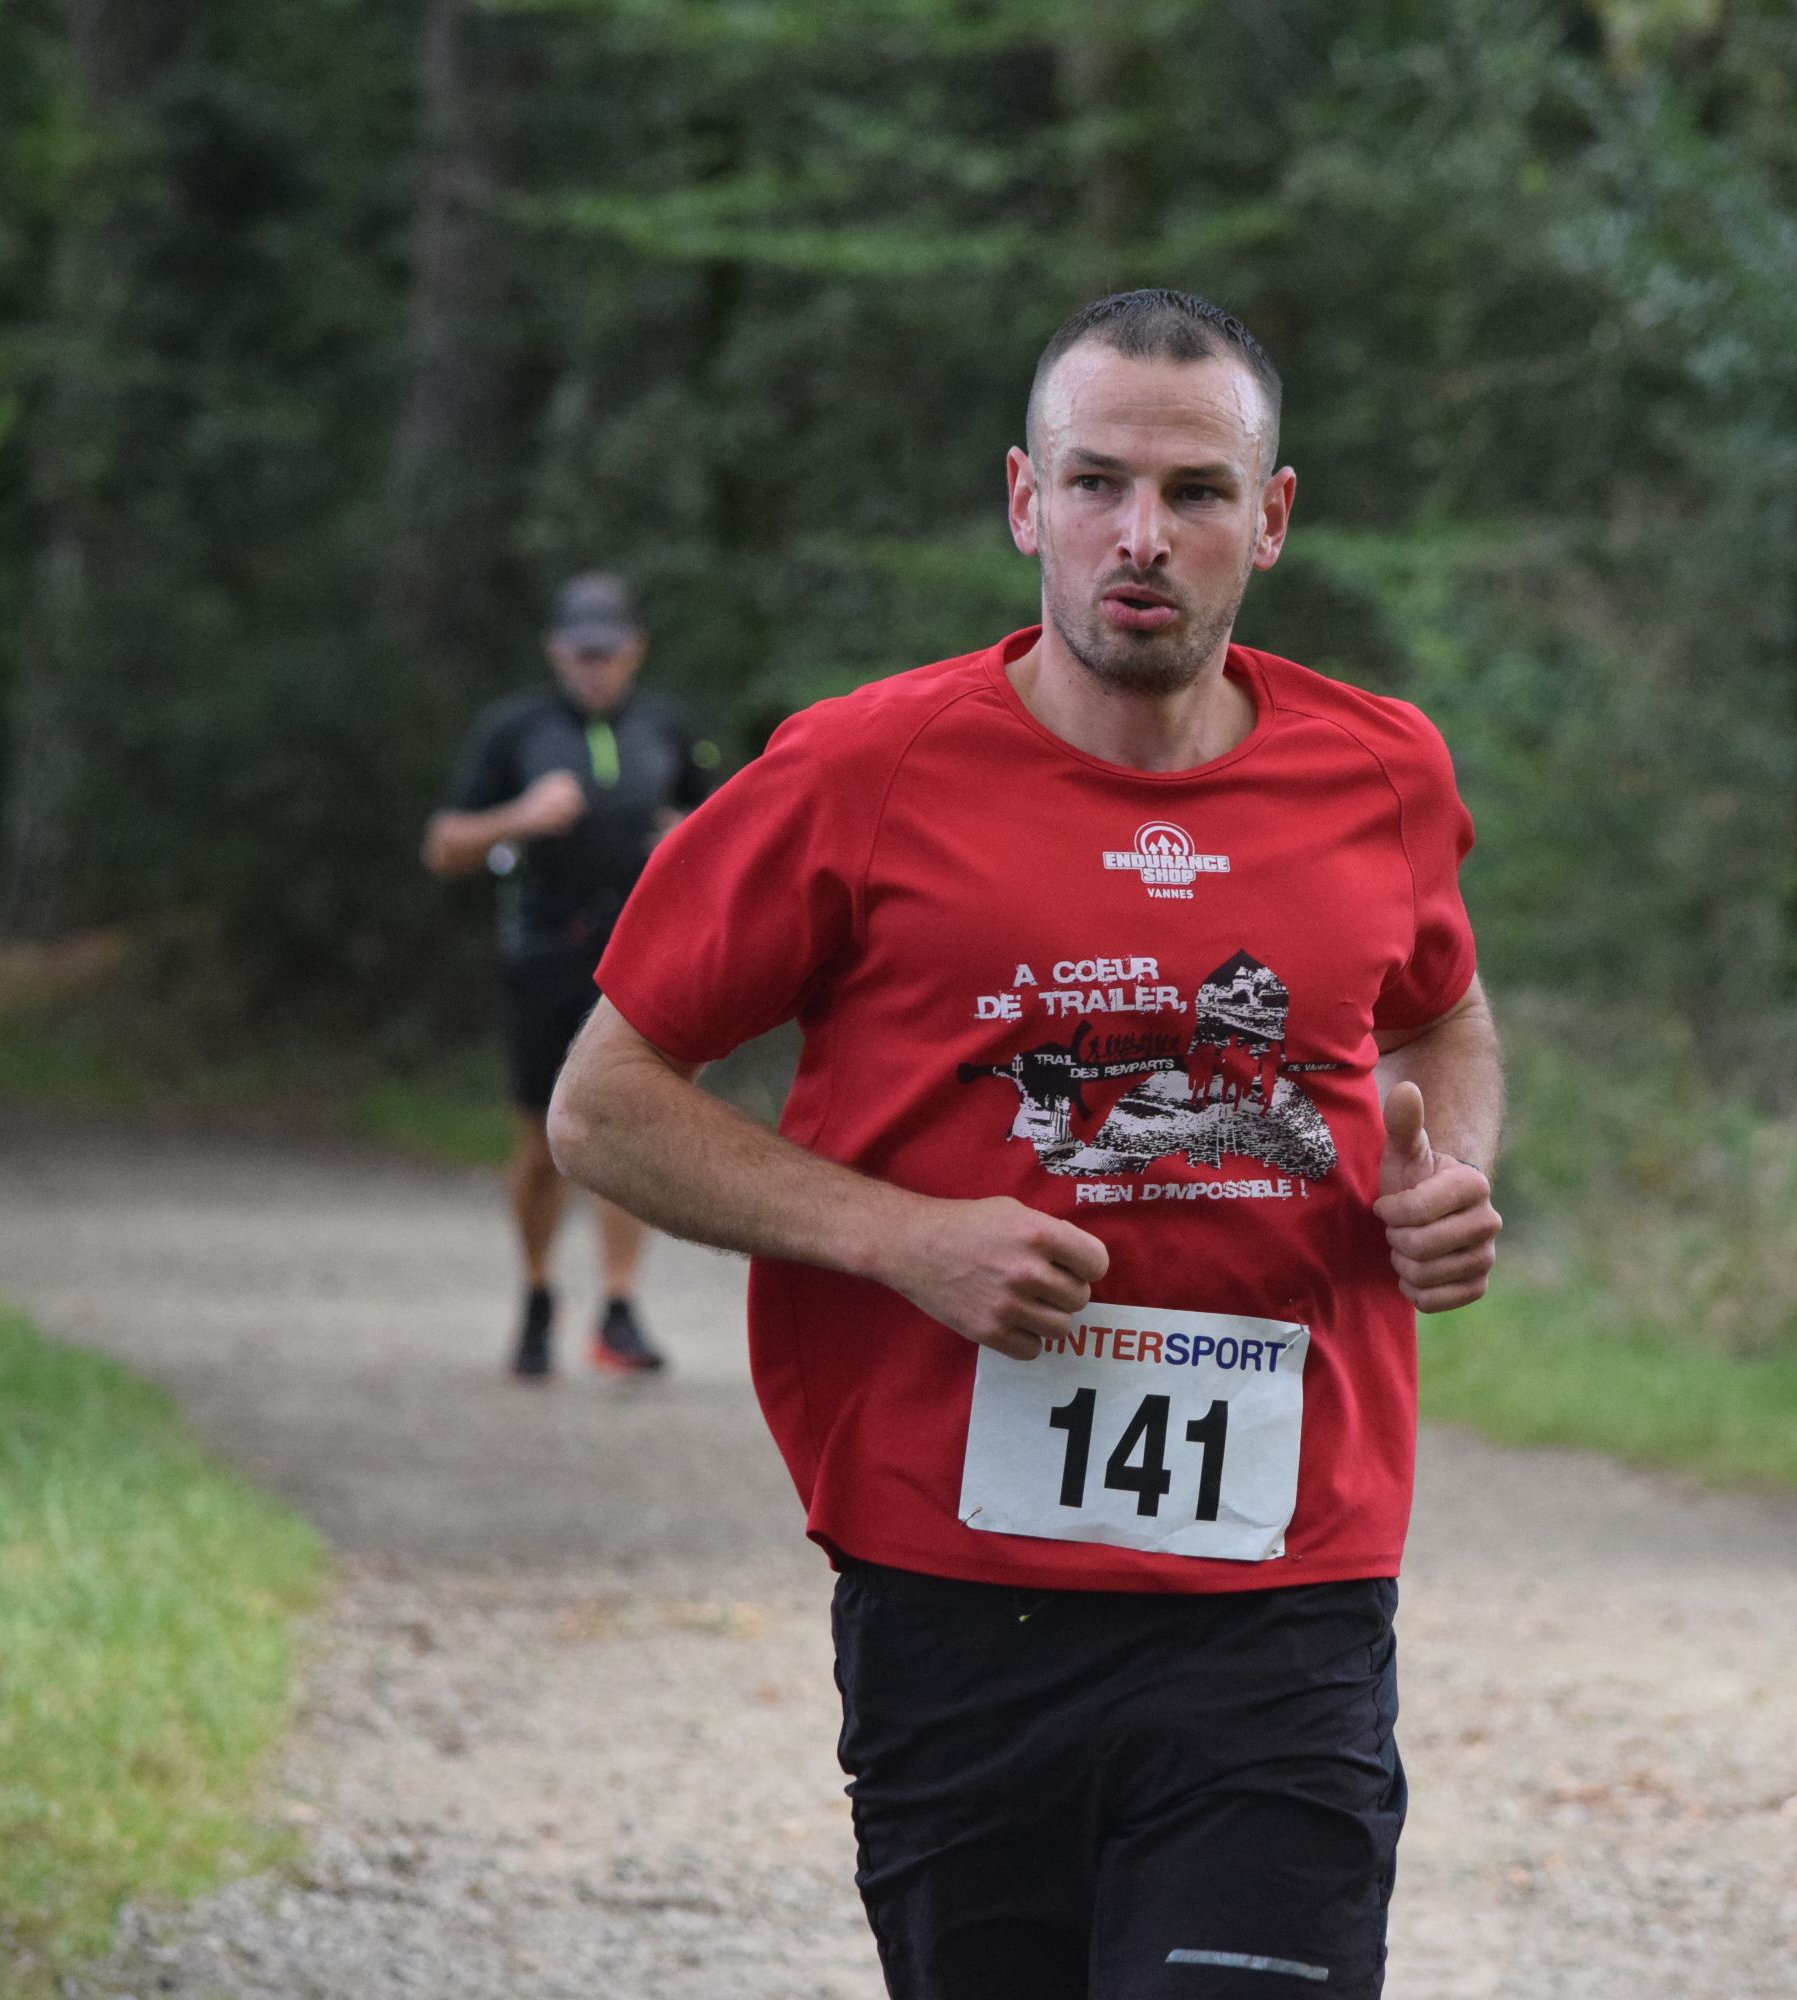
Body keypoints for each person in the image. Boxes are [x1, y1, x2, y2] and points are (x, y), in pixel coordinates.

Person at [549, 288, 1504, 1998]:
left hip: (1283, 1587)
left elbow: (1445, 1015)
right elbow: (603, 1103)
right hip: (951, 1588)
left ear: (1270, 520)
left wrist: (1445, 1176)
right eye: (1095, 483)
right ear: (1022, 500)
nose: (1142, 536)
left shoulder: (1379, 770)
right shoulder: (859, 772)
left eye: (1196, 492)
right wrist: (901, 1237)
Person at [421, 572, 717, 1379]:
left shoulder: (666, 726)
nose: (596, 667)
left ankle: (618, 1308)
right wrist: (520, 816)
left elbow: (729, 828)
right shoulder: (514, 730)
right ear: (556, 651)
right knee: (539, 1139)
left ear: (635, 650)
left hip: (642, 960)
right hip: (544, 956)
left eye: (609, 652)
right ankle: (535, 1291)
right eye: (583, 653)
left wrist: (688, 835)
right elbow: (443, 846)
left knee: (629, 1128)